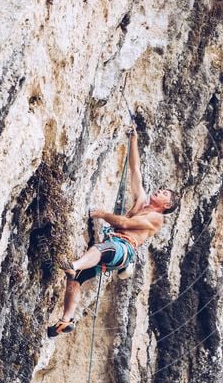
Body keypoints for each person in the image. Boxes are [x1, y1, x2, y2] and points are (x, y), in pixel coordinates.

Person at [47, 125, 178, 337]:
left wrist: (101, 214)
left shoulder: (156, 218)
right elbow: (136, 172)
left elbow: (125, 225)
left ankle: (74, 265)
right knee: (77, 279)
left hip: (123, 248)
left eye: (164, 193)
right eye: (161, 189)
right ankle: (66, 320)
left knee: (97, 251)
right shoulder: (142, 202)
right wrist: (133, 140)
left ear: (166, 205)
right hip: (115, 247)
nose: (159, 191)